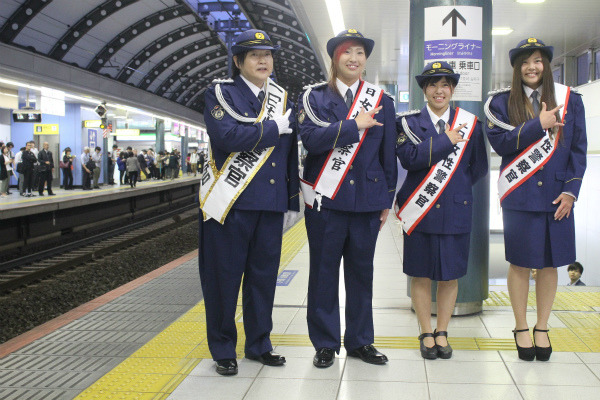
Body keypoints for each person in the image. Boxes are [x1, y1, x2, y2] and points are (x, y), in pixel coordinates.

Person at [199, 28, 299, 376]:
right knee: (223, 278)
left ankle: (259, 344)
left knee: (263, 279)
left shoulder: (282, 99)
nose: (263, 60)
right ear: (238, 62)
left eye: (268, 55)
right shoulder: (219, 94)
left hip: (269, 205)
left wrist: (290, 202)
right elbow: (228, 136)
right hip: (231, 204)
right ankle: (224, 348)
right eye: (254, 55)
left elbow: (288, 156)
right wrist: (275, 128)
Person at [297, 29, 397, 368]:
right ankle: (325, 343)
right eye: (346, 52)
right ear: (334, 59)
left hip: (368, 201)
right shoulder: (314, 98)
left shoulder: (382, 100)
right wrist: (354, 125)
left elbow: (387, 155)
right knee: (323, 274)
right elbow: (311, 140)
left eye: (359, 52)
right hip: (326, 201)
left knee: (361, 274)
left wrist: (387, 199)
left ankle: (360, 341)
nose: (353, 58)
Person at [485, 38, 587, 361]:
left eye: (538, 60)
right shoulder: (501, 103)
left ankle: (542, 327)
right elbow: (501, 143)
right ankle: (520, 325)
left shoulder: (571, 100)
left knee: (549, 263)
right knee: (520, 262)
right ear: (517, 68)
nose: (532, 67)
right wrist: (537, 125)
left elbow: (578, 150)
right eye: (525, 62)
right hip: (520, 196)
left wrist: (571, 191)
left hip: (558, 196)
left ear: (547, 65)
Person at [395, 62, 488, 360]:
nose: (439, 90)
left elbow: (478, 168)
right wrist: (446, 140)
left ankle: (443, 331)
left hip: (456, 210)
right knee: (420, 275)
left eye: (445, 84)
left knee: (450, 276)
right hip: (420, 212)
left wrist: (454, 190)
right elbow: (409, 159)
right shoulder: (407, 124)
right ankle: (425, 331)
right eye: (433, 84)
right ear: (425, 90)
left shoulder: (471, 124)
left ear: (452, 89)